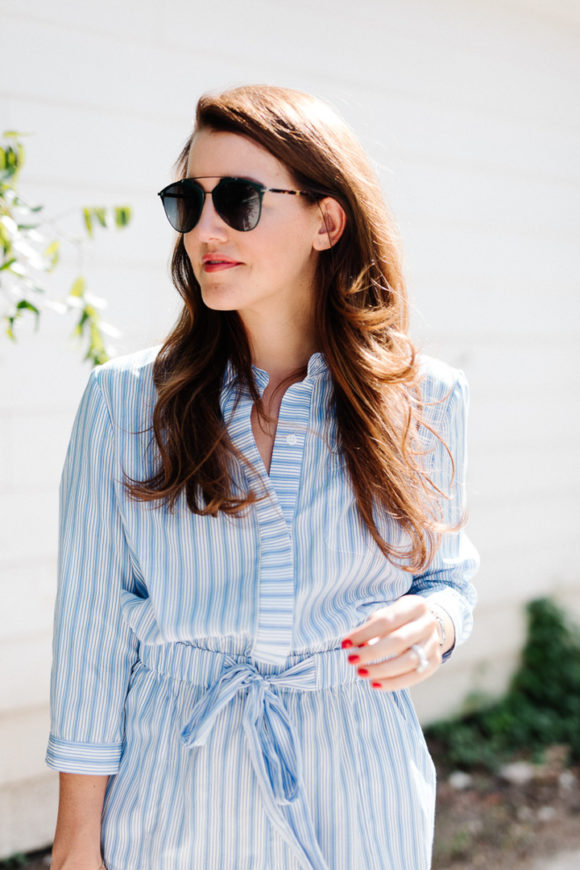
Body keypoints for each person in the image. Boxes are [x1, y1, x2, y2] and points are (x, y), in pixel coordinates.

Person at [46, 84, 479, 870]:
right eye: (189, 202)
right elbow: (91, 636)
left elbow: (448, 578)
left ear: (326, 220)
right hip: (176, 788)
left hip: (358, 789)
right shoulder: (123, 401)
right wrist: (77, 841)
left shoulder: (427, 400)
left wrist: (440, 624)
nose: (204, 229)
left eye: (239, 200)